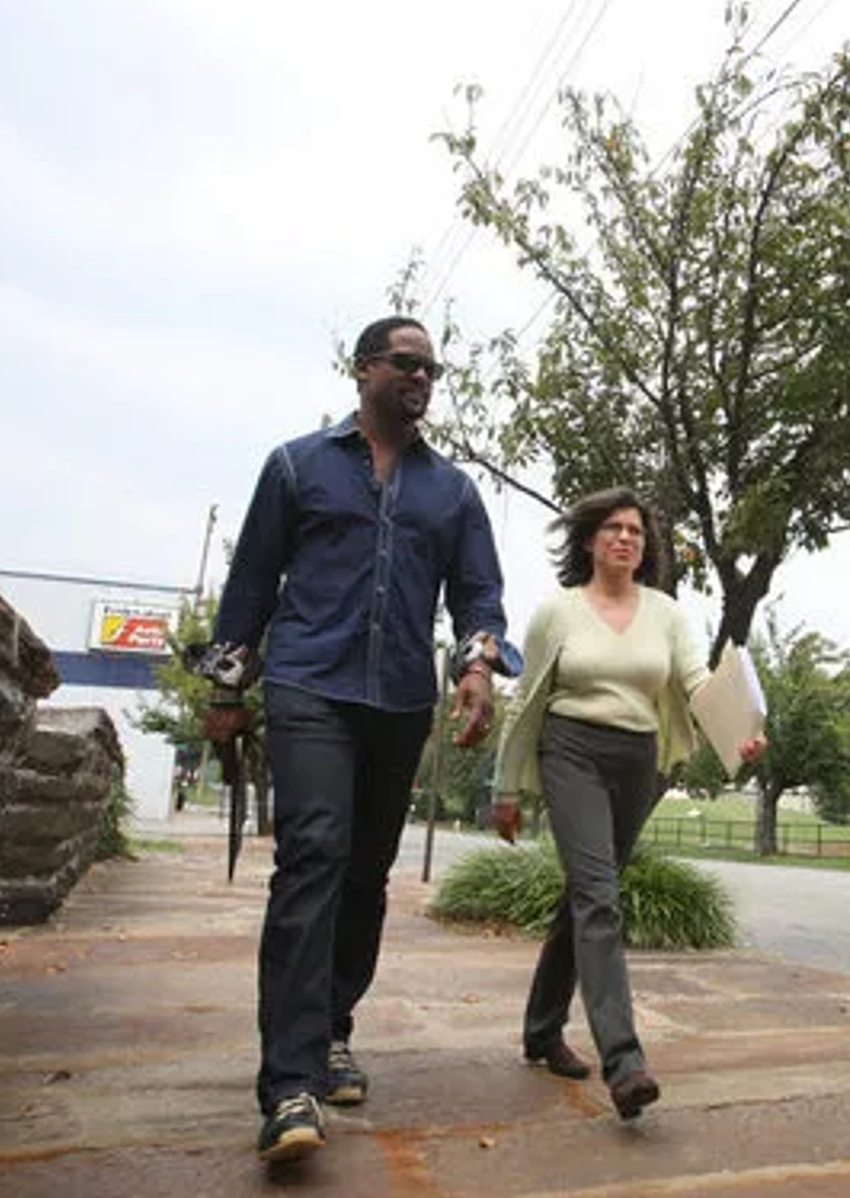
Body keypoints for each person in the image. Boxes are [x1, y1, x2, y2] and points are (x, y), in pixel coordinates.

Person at [206, 314, 510, 1163]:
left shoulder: (451, 492)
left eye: (433, 369)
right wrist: (227, 691)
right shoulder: (296, 465)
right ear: (365, 368)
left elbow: (479, 600)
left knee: (367, 872)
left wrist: (478, 672)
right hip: (308, 683)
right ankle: (290, 1084)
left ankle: (333, 1025)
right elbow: (251, 582)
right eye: (407, 364)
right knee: (315, 855)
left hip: (400, 698)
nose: (422, 379)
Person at [490, 487, 766, 1122]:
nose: (625, 538)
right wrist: (505, 789)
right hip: (572, 751)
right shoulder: (557, 612)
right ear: (588, 541)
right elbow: (525, 700)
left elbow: (696, 685)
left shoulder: (667, 614)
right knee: (599, 898)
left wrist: (739, 730)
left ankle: (540, 1028)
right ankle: (624, 1061)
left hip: (636, 758)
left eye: (636, 532)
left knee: (589, 894)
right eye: (612, 528)